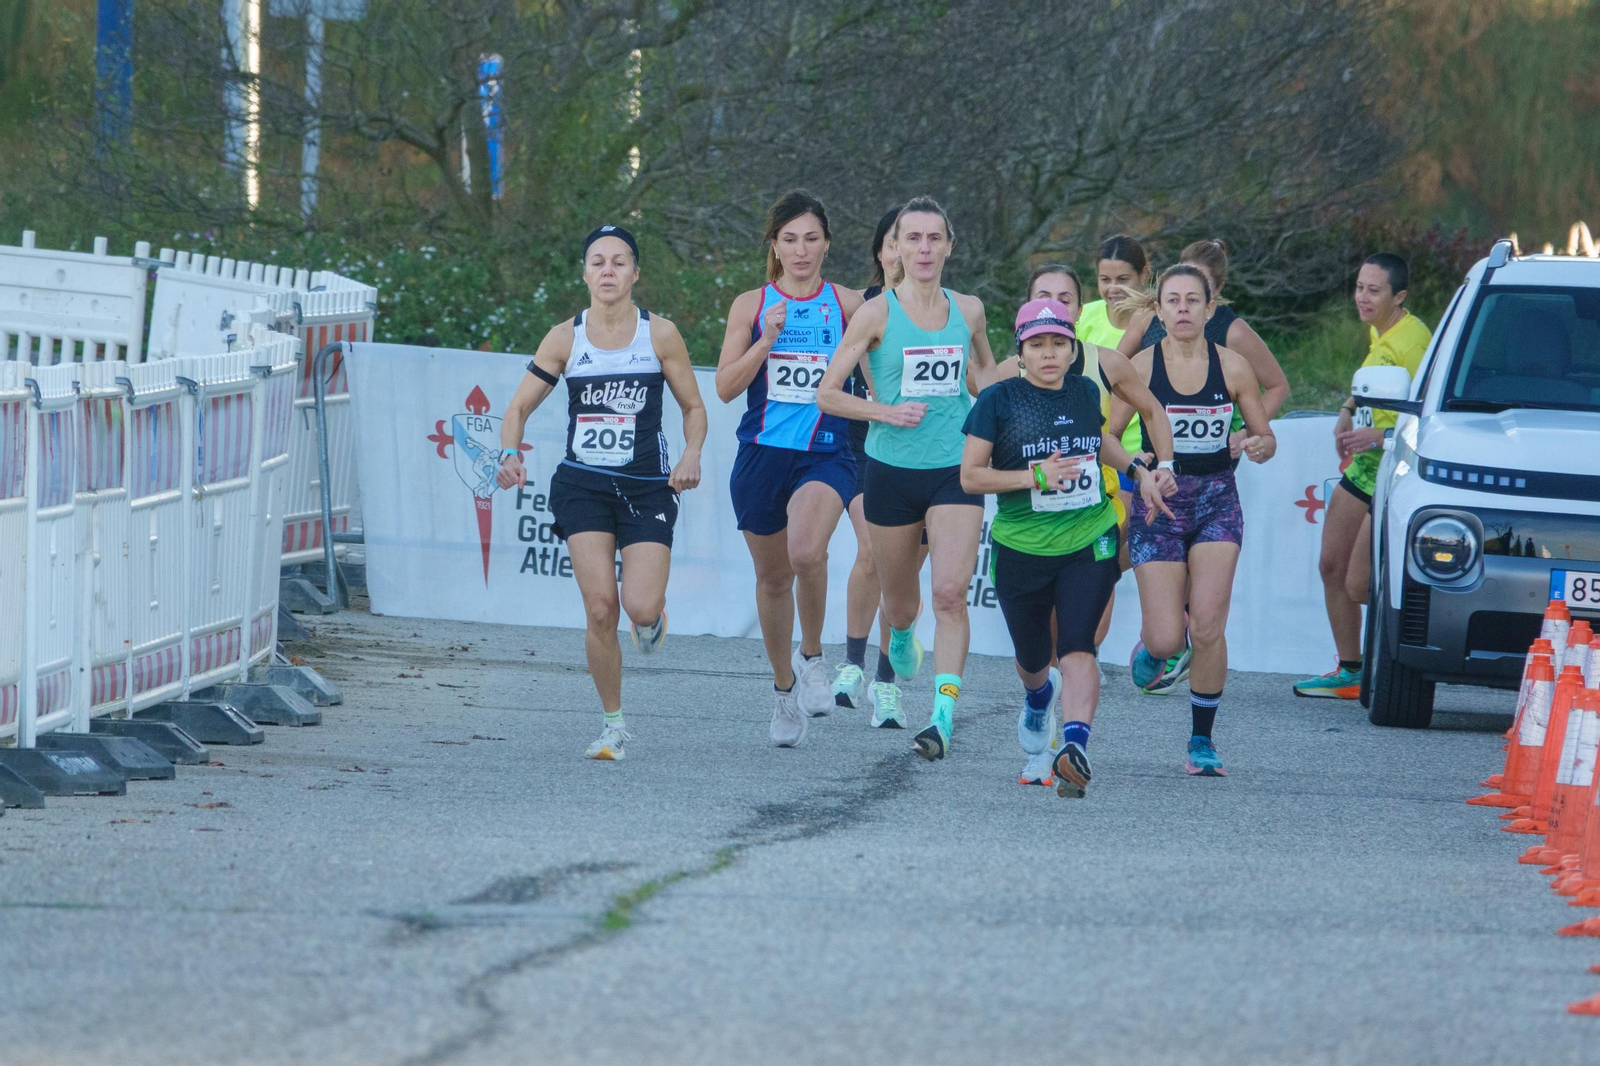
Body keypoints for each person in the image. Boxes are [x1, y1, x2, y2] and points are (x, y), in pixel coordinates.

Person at [497, 224, 706, 761]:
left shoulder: (659, 334)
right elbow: (518, 408)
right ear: (585, 272)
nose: (608, 271)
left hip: (646, 487)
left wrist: (690, 454)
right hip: (583, 485)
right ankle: (613, 724)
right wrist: (510, 453)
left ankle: (651, 616)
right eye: (598, 262)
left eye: (619, 262)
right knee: (598, 609)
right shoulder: (566, 337)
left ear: (636, 273)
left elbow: (693, 408)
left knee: (638, 607)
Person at [962, 299, 1174, 797]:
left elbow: (1098, 440)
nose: (1050, 354)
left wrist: (1139, 471)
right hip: (1021, 546)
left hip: (1090, 536)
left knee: (1078, 642)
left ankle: (1075, 745)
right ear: (1022, 352)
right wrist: (1035, 476)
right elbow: (970, 477)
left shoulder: (1083, 390)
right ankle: (1039, 698)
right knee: (1034, 656)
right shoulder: (997, 399)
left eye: (1059, 343)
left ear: (1073, 346)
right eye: (1038, 345)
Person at [816, 195, 1002, 761]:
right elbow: (826, 394)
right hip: (891, 471)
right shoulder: (874, 314)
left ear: (949, 245)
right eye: (912, 238)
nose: (923, 249)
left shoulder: (968, 310)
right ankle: (898, 637)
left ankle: (941, 719)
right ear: (896, 246)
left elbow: (985, 380)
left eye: (933, 238)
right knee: (902, 608)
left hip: (956, 471)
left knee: (949, 593)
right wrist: (884, 411)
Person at [1108, 265, 1276, 777]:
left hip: (1216, 501)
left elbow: (1264, 437)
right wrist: (1141, 470)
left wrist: (1256, 443)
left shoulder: (1234, 367)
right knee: (1167, 639)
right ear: (1157, 310)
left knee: (1206, 626)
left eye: (1192, 301)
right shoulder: (1135, 366)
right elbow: (1107, 437)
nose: (1182, 309)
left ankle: (1201, 741)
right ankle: (1155, 648)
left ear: (1209, 309)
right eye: (1172, 301)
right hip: (1158, 502)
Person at [715, 191, 865, 747]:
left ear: (826, 242)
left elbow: (886, 358)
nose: (801, 250)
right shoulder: (750, 305)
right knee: (773, 577)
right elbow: (727, 387)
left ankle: (813, 657)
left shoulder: (848, 304)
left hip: (825, 450)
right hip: (760, 454)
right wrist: (767, 341)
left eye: (811, 238)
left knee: (807, 551)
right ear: (774, 246)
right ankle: (784, 691)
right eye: (789, 239)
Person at [1294, 253, 1431, 698]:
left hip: (1395, 469)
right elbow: (1369, 383)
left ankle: (1404, 662)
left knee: (1359, 582)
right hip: (1363, 467)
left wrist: (1378, 433)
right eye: (1359, 287)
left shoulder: (1415, 342)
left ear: (1400, 296)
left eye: (1374, 291)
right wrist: (1346, 411)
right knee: (1330, 565)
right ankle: (1349, 669)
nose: (1362, 297)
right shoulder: (1380, 329)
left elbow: (1430, 418)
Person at [830, 207, 929, 728]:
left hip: (930, 450)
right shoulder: (864, 307)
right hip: (866, 445)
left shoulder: (943, 312)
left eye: (912, 242)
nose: (904, 251)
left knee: (905, 572)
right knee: (872, 552)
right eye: (895, 242)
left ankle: (886, 684)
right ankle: (851, 664)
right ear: (882, 252)